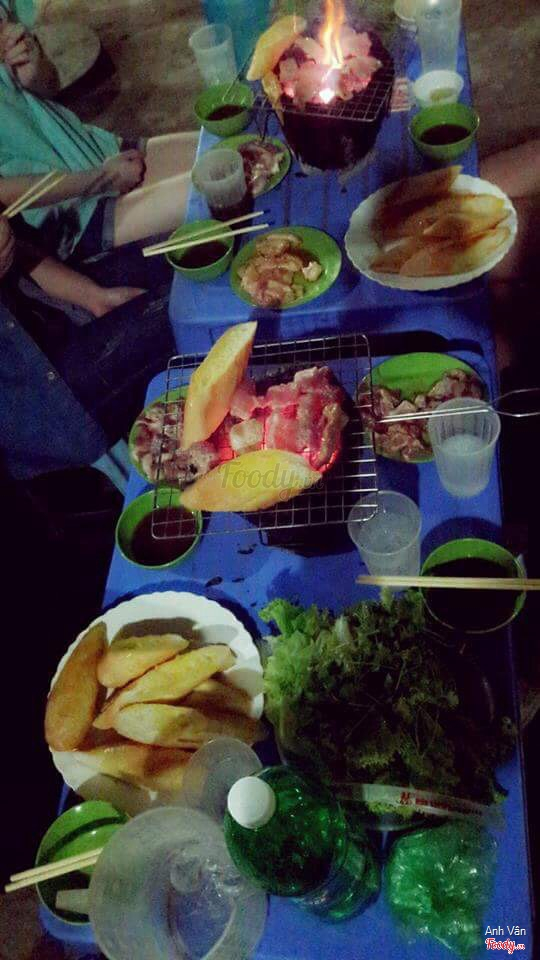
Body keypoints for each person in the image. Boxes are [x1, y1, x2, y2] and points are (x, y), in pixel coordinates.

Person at [0, 11, 198, 264]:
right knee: (219, 187)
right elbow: (4, 191)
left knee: (227, 151)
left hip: (101, 152)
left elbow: (47, 87)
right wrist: (103, 178)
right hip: (72, 217)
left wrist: (34, 70)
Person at [0, 215, 175, 480]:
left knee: (180, 248)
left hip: (49, 310)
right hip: (42, 398)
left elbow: (19, 250)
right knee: (179, 306)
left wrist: (94, 296)